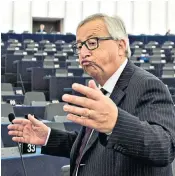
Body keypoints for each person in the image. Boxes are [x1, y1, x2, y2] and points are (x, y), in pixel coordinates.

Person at [8, 13, 175, 176]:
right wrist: (48, 137)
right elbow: (91, 149)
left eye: (92, 43)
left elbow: (164, 147)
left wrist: (116, 123)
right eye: (79, 46)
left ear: (121, 46)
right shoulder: (102, 91)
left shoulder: (148, 85)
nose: (83, 52)